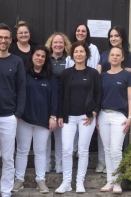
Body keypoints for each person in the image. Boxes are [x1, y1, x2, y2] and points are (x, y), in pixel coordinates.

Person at [0, 23, 26, 197]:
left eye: (6, 37)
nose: (3, 40)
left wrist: (17, 115)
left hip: (9, 117)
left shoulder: (17, 61)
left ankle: (6, 191)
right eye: (0, 37)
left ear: (10, 40)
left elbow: (22, 89)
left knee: (8, 158)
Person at [55, 41, 102, 194]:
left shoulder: (93, 73)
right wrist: (60, 115)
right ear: (72, 54)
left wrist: (94, 113)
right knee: (67, 149)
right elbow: (61, 95)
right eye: (76, 52)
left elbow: (99, 95)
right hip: (68, 117)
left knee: (83, 150)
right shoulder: (67, 73)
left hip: (86, 117)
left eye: (82, 51)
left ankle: (80, 182)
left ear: (86, 54)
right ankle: (67, 182)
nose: (79, 54)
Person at [12, 46, 58, 194]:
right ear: (32, 56)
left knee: (40, 151)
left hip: (43, 121)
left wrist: (53, 116)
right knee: (22, 151)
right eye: (37, 55)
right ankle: (19, 180)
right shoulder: (23, 74)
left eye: (43, 56)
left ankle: (40, 180)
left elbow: (54, 99)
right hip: (24, 119)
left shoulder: (51, 77)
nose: (39, 58)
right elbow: (17, 94)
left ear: (46, 59)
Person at [65, 23, 105, 174]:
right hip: (73, 96)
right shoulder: (70, 51)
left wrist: (94, 109)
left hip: (88, 89)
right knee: (67, 147)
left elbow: (95, 68)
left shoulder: (93, 49)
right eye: (78, 30)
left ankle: (80, 179)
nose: (80, 33)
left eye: (83, 31)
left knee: (84, 146)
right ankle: (67, 178)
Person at [98, 46, 131, 194]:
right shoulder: (102, 76)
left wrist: (130, 117)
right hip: (103, 115)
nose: (114, 57)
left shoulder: (127, 75)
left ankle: (117, 182)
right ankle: (110, 181)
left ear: (122, 58)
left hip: (119, 117)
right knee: (107, 150)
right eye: (112, 55)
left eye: (117, 55)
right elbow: (98, 97)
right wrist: (95, 117)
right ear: (108, 58)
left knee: (116, 150)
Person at [44, 32, 71, 174]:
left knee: (60, 134)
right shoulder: (46, 59)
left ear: (65, 44)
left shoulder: (68, 60)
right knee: (46, 132)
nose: (58, 45)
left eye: (61, 42)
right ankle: (47, 162)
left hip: (63, 99)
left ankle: (59, 163)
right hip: (46, 98)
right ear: (51, 44)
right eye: (55, 42)